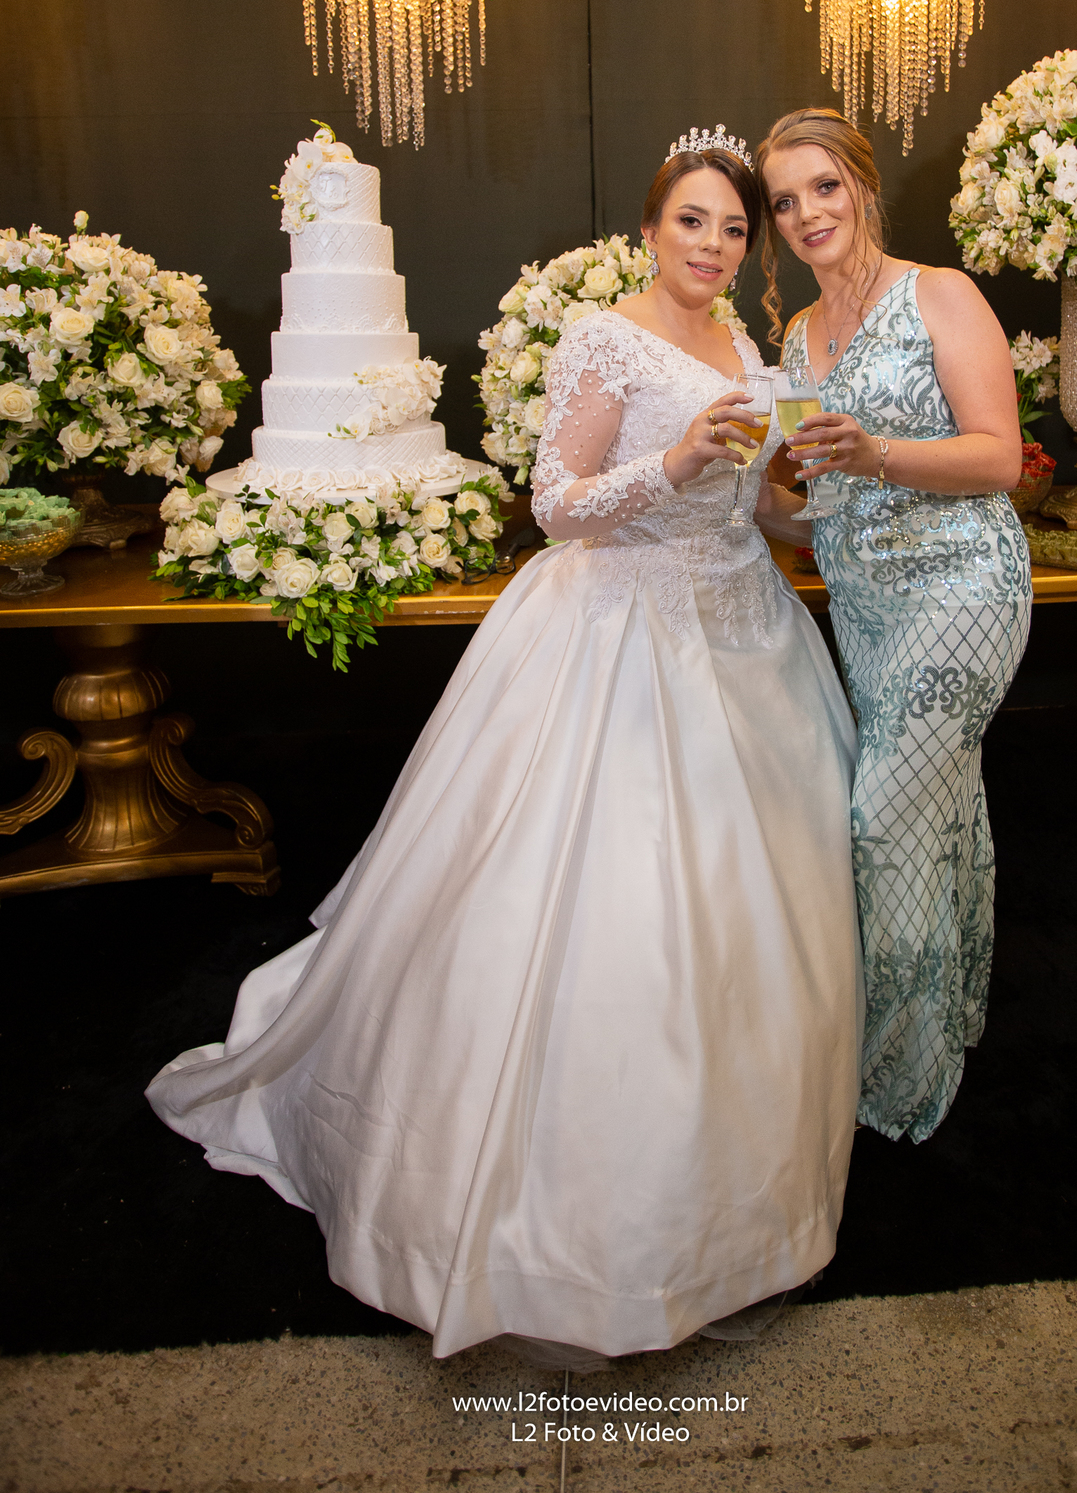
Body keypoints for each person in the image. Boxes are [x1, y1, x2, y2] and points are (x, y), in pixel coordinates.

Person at [146, 130, 864, 1364]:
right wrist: (674, 459)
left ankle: (737, 1190)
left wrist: (829, 502)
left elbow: (751, 502)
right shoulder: (605, 337)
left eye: (735, 229)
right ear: (652, 229)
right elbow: (557, 504)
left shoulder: (749, 351)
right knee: (611, 909)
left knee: (756, 910)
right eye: (693, 221)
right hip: (620, 635)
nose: (713, 245)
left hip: (744, 635)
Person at [758, 108, 1031, 1146]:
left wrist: (875, 452)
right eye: (784, 202)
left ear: (863, 186)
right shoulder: (796, 336)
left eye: (823, 186)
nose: (806, 214)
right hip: (865, 609)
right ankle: (951, 1014)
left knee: (879, 819)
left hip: (964, 590)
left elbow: (998, 458)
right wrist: (751, 502)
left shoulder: (938, 294)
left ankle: (897, 1076)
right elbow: (822, 505)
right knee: (937, 807)